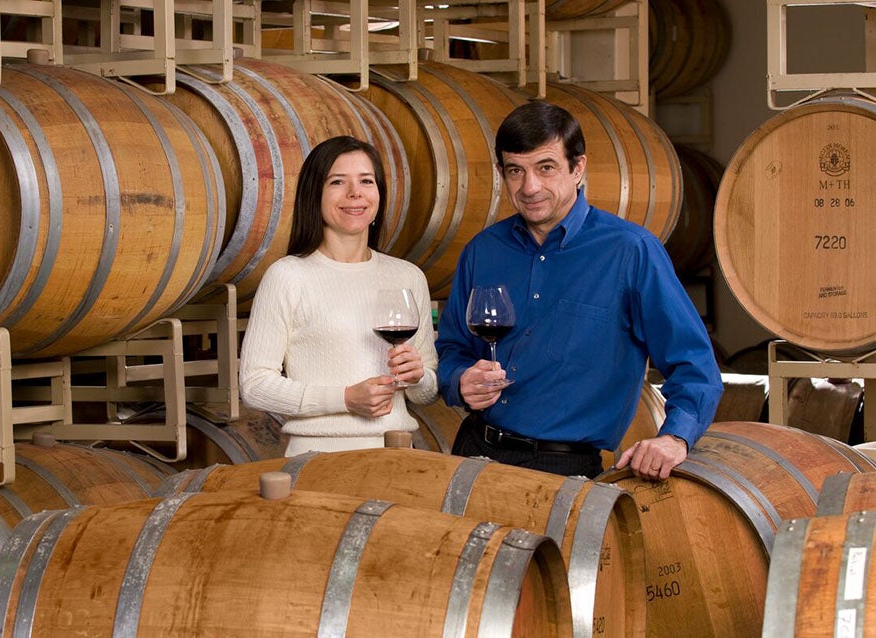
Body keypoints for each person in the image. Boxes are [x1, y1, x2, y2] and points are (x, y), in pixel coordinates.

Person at [436, 101, 723, 480]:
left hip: (565, 469)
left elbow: (695, 365)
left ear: (578, 168)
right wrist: (459, 380)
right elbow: (452, 349)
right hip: (473, 455)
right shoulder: (482, 251)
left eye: (546, 168)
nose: (530, 187)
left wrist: (675, 438)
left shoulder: (630, 251)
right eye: (515, 171)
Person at [239, 135, 439, 456]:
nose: (354, 193)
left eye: (366, 181)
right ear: (314, 195)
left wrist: (418, 377)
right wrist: (344, 399)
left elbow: (425, 393)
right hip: (317, 459)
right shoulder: (288, 276)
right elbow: (255, 386)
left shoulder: (407, 276)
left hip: (398, 455)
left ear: (379, 194)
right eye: (337, 182)